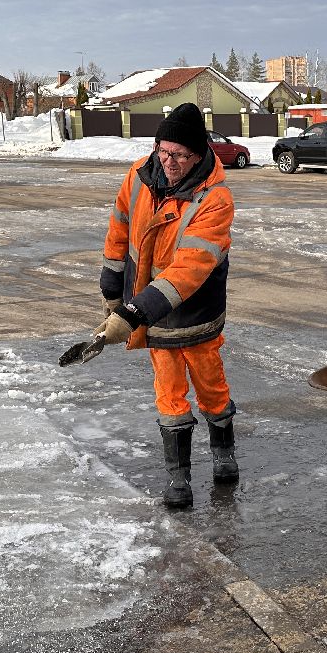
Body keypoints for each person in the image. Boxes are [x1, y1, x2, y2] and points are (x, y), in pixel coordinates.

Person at [95, 103, 237, 508]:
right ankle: (179, 478)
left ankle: (224, 452)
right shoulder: (139, 176)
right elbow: (119, 230)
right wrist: (111, 287)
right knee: (169, 393)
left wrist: (135, 312)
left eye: (180, 155)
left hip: (194, 311)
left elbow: (190, 268)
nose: (169, 162)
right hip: (149, 309)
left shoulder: (215, 199)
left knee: (210, 386)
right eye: (163, 151)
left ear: (198, 154)